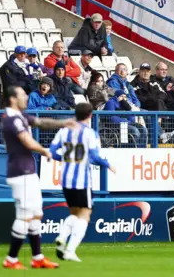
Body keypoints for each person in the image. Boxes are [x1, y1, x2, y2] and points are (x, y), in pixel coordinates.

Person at [0, 86, 74, 270]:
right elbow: (26, 140)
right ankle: (11, 259)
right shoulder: (11, 118)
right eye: (23, 95)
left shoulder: (20, 116)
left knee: (36, 214)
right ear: (13, 99)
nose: (26, 97)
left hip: (28, 171)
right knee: (25, 215)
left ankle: (37, 257)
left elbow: (41, 122)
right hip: (20, 172)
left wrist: (63, 123)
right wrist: (44, 150)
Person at [51, 102, 116, 262]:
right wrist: (108, 164)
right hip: (82, 180)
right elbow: (94, 156)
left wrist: (66, 158)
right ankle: (70, 249)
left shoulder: (64, 130)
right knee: (85, 215)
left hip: (66, 180)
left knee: (74, 213)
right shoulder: (90, 133)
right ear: (90, 115)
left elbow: (52, 152)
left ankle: (62, 237)